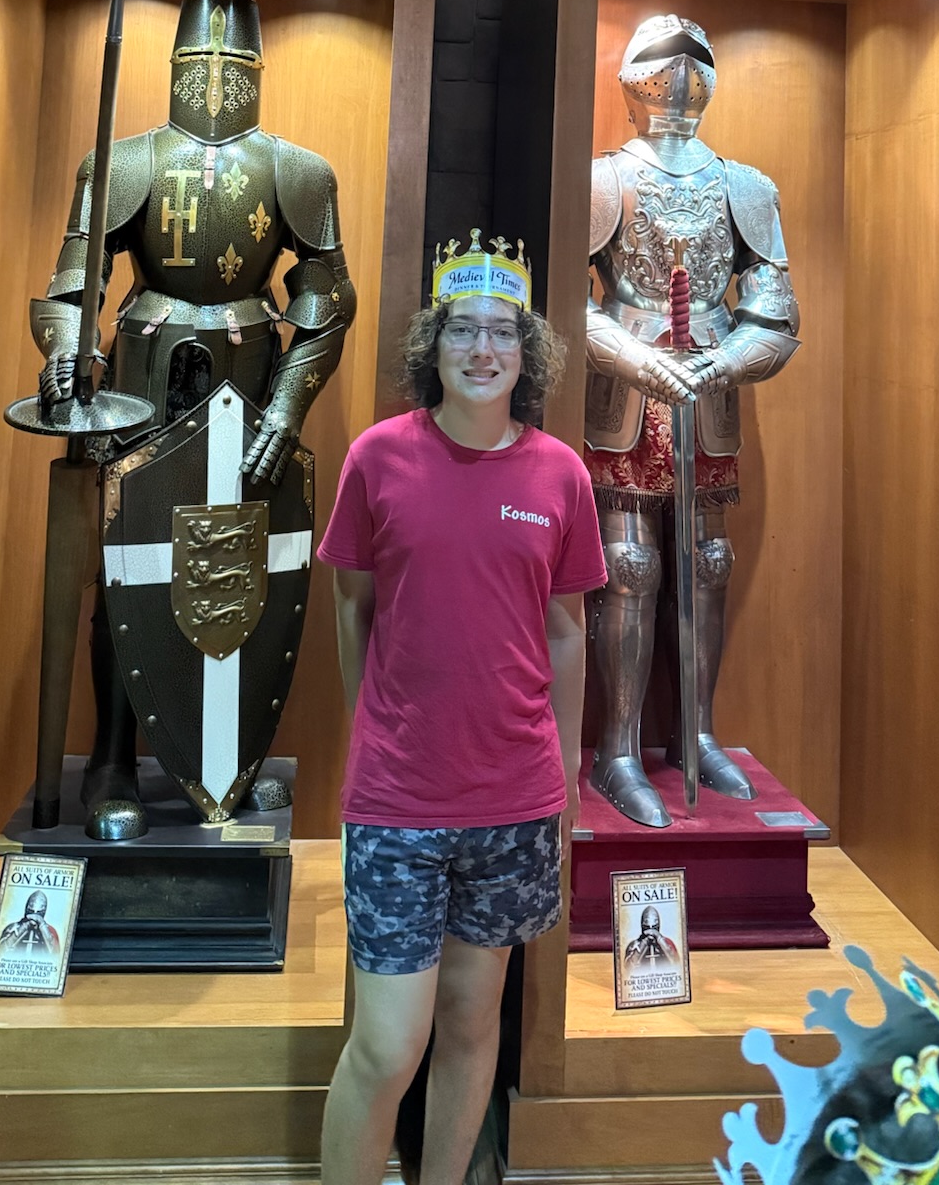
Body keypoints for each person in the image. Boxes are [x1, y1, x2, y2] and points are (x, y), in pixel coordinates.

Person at [316, 234, 607, 1185]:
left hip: (514, 799)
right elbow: (352, 606)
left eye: (502, 333)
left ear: (527, 353)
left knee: (474, 1024)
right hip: (398, 802)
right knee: (386, 1046)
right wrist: (372, 727)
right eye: (463, 331)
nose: (483, 350)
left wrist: (566, 772)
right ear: (432, 345)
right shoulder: (377, 458)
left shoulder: (561, 475)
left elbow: (566, 633)